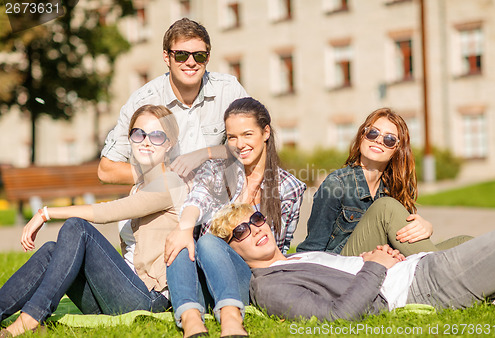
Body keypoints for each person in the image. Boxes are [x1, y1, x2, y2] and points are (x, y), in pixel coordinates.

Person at [0, 105, 188, 337]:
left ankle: (31, 317)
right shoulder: (139, 186)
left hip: (148, 298)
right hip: (119, 294)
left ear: (169, 144)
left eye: (156, 136)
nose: (146, 141)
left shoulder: (170, 182)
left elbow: (109, 211)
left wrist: (45, 213)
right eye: (138, 134)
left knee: (77, 227)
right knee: (51, 250)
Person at [211, 203, 495, 322]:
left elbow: (343, 277)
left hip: (416, 269)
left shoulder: (296, 257)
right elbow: (338, 317)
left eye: (256, 219)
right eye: (240, 231)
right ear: (231, 251)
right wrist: (377, 266)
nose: (256, 229)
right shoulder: (270, 287)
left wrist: (373, 259)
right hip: (423, 285)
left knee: (465, 239)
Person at [164, 97, 306, 337]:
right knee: (181, 238)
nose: (240, 144)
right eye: (232, 137)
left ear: (266, 132)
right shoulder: (216, 170)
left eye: (247, 134)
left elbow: (281, 246)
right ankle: (191, 321)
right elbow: (197, 199)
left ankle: (231, 318)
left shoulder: (290, 188)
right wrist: (185, 227)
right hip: (205, 276)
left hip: (248, 281)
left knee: (209, 241)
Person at [297, 108, 471, 256]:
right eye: (372, 133)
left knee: (465, 242)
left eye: (389, 139)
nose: (379, 140)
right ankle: (438, 271)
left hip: (386, 266)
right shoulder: (336, 185)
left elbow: (405, 242)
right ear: (362, 136)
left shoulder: (395, 188)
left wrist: (426, 226)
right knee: (384, 207)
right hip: (345, 269)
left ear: (397, 150)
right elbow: (312, 249)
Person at [98, 17, 248, 185]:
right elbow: (106, 170)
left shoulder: (229, 91)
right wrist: (167, 176)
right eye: (181, 55)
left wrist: (207, 153)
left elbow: (254, 144)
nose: (191, 62)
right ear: (166, 57)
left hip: (218, 199)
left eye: (199, 56)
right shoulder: (143, 102)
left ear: (207, 58)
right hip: (163, 200)